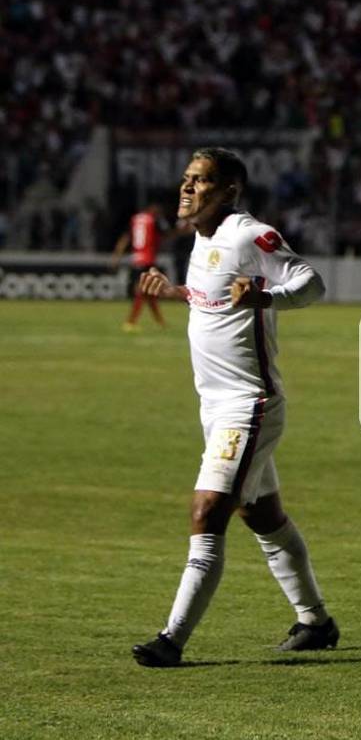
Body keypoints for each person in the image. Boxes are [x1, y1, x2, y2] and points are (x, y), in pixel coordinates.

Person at [131, 148, 334, 667]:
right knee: (262, 515)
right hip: (215, 405)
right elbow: (214, 297)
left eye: (200, 180)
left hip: (249, 404)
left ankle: (171, 640)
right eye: (186, 178)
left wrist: (265, 297)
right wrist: (177, 291)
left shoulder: (250, 235)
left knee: (208, 510)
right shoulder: (200, 238)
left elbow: (311, 282)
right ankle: (315, 621)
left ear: (229, 191)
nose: (187, 187)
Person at [111, 203, 168, 332]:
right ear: (153, 209)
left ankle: (160, 321)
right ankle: (130, 322)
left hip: (136, 258)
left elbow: (125, 238)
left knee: (149, 291)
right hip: (148, 259)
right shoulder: (153, 220)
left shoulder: (135, 219)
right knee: (142, 290)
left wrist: (116, 257)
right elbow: (165, 235)